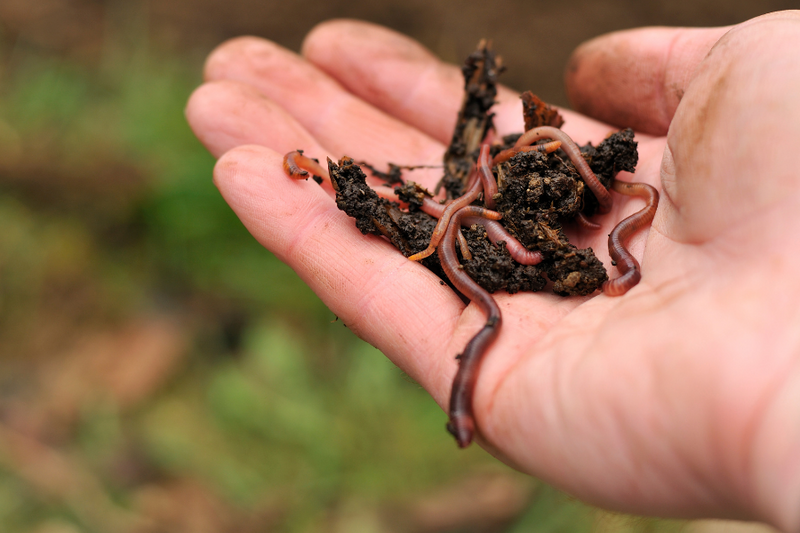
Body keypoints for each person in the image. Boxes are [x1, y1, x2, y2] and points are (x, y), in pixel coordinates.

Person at [186, 11, 800, 531]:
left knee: (473, 261)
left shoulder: (570, 204)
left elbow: (533, 238)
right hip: (481, 210)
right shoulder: (485, 206)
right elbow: (472, 215)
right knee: (465, 249)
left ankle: (460, 398)